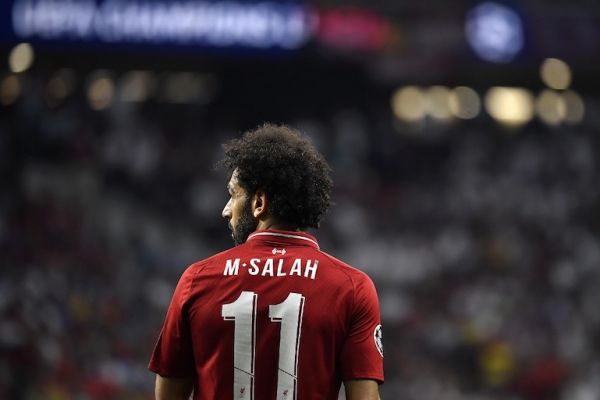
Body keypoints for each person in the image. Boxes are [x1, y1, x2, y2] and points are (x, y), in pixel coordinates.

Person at [149, 123, 384, 400]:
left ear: (259, 203)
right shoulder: (352, 288)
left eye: (234, 194)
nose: (226, 210)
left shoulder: (197, 280)